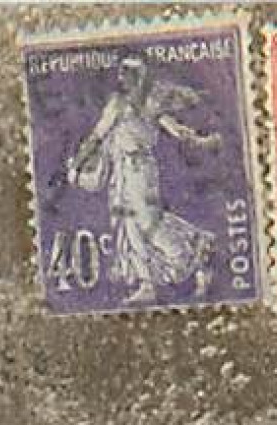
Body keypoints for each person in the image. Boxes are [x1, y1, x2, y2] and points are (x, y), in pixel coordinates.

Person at [66, 54, 221, 305]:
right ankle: (148, 281)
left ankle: (197, 251)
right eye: (121, 75)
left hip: (137, 171)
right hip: (129, 170)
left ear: (135, 78)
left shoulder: (132, 105)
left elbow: (96, 138)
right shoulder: (140, 104)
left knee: (147, 223)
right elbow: (98, 137)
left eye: (125, 74)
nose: (121, 79)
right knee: (132, 224)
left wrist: (76, 167)